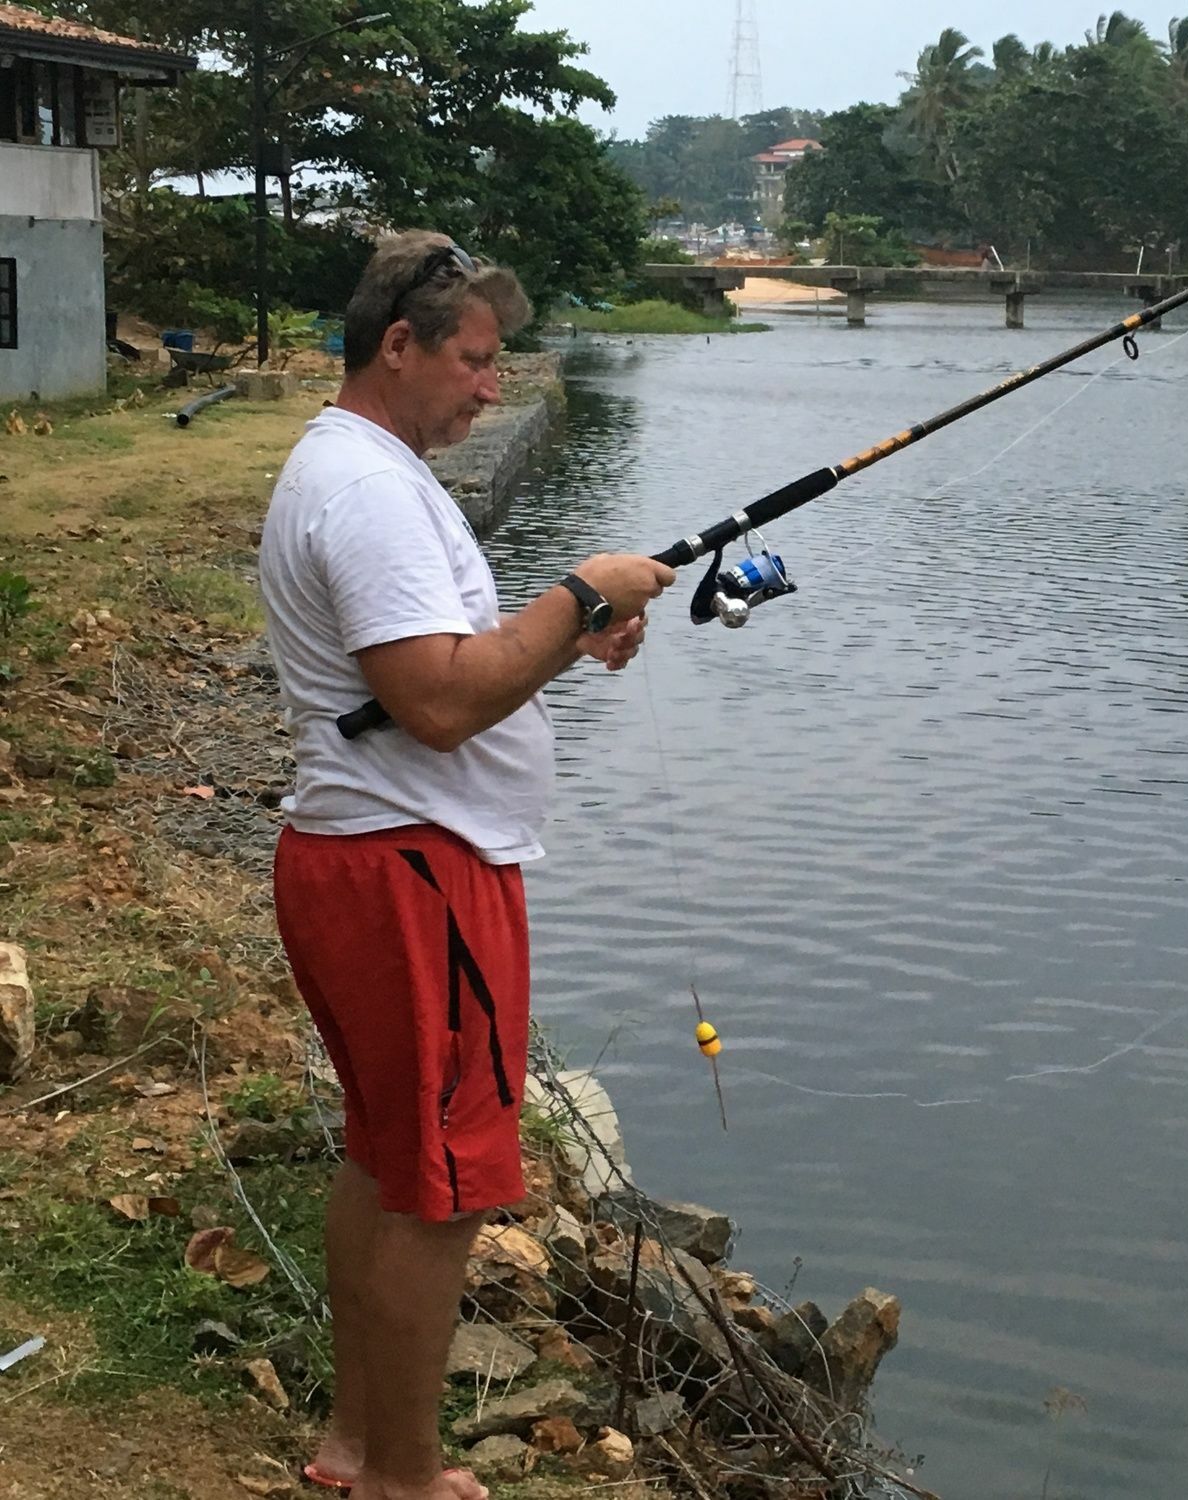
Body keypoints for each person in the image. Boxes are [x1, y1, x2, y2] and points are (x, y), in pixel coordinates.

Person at [257, 231, 676, 1500]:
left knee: (385, 1155)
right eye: (477, 363)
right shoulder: (371, 488)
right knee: (434, 1191)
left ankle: (352, 1444)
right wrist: (580, 595)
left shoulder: (356, 467)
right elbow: (436, 706)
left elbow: (428, 661)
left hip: (366, 855)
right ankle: (401, 1477)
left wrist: (555, 640)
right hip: (413, 874)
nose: (494, 388)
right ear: (402, 346)